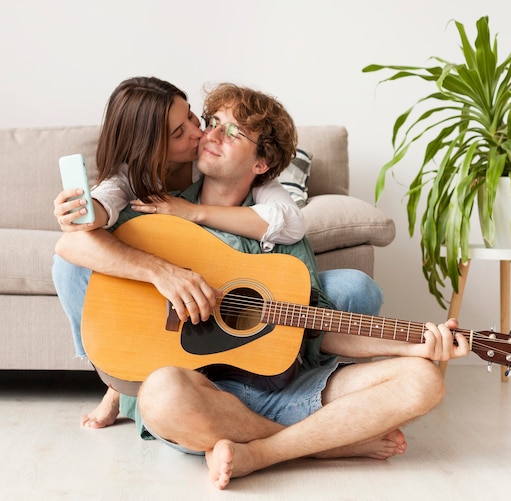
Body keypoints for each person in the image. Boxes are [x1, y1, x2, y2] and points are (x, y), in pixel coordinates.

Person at [55, 82, 470, 490]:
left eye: (232, 133)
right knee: (161, 392)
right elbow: (75, 238)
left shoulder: (279, 234)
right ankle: (319, 444)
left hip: (279, 387)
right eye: (212, 122)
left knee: (425, 378)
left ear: (260, 164)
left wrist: (411, 344)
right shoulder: (156, 206)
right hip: (203, 396)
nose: (208, 135)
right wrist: (161, 271)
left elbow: (317, 330)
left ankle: (262, 451)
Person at [52, 78, 383, 429]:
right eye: (185, 132)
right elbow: (79, 235)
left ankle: (275, 392)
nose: (202, 135)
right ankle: (120, 380)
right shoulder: (139, 187)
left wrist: (192, 212)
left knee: (353, 289)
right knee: (70, 267)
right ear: (155, 150)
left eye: (196, 119)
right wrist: (86, 216)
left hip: (242, 321)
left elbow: (289, 223)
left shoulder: (248, 185)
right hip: (168, 320)